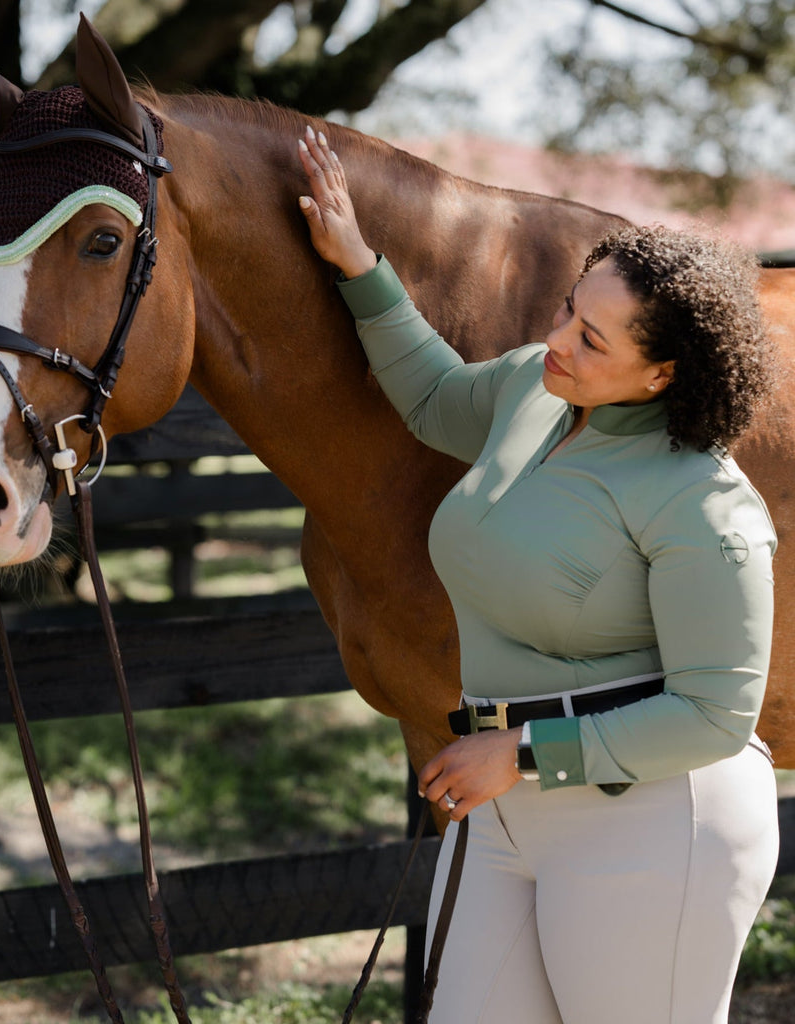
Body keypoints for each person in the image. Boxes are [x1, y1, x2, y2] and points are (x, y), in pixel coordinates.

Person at [296, 124, 779, 1024]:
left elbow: (716, 716)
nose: (559, 341)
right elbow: (437, 397)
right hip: (506, 810)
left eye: (592, 340)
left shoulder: (704, 505)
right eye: (565, 310)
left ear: (661, 374)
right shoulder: (536, 391)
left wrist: (520, 754)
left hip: (654, 825)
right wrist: (360, 265)